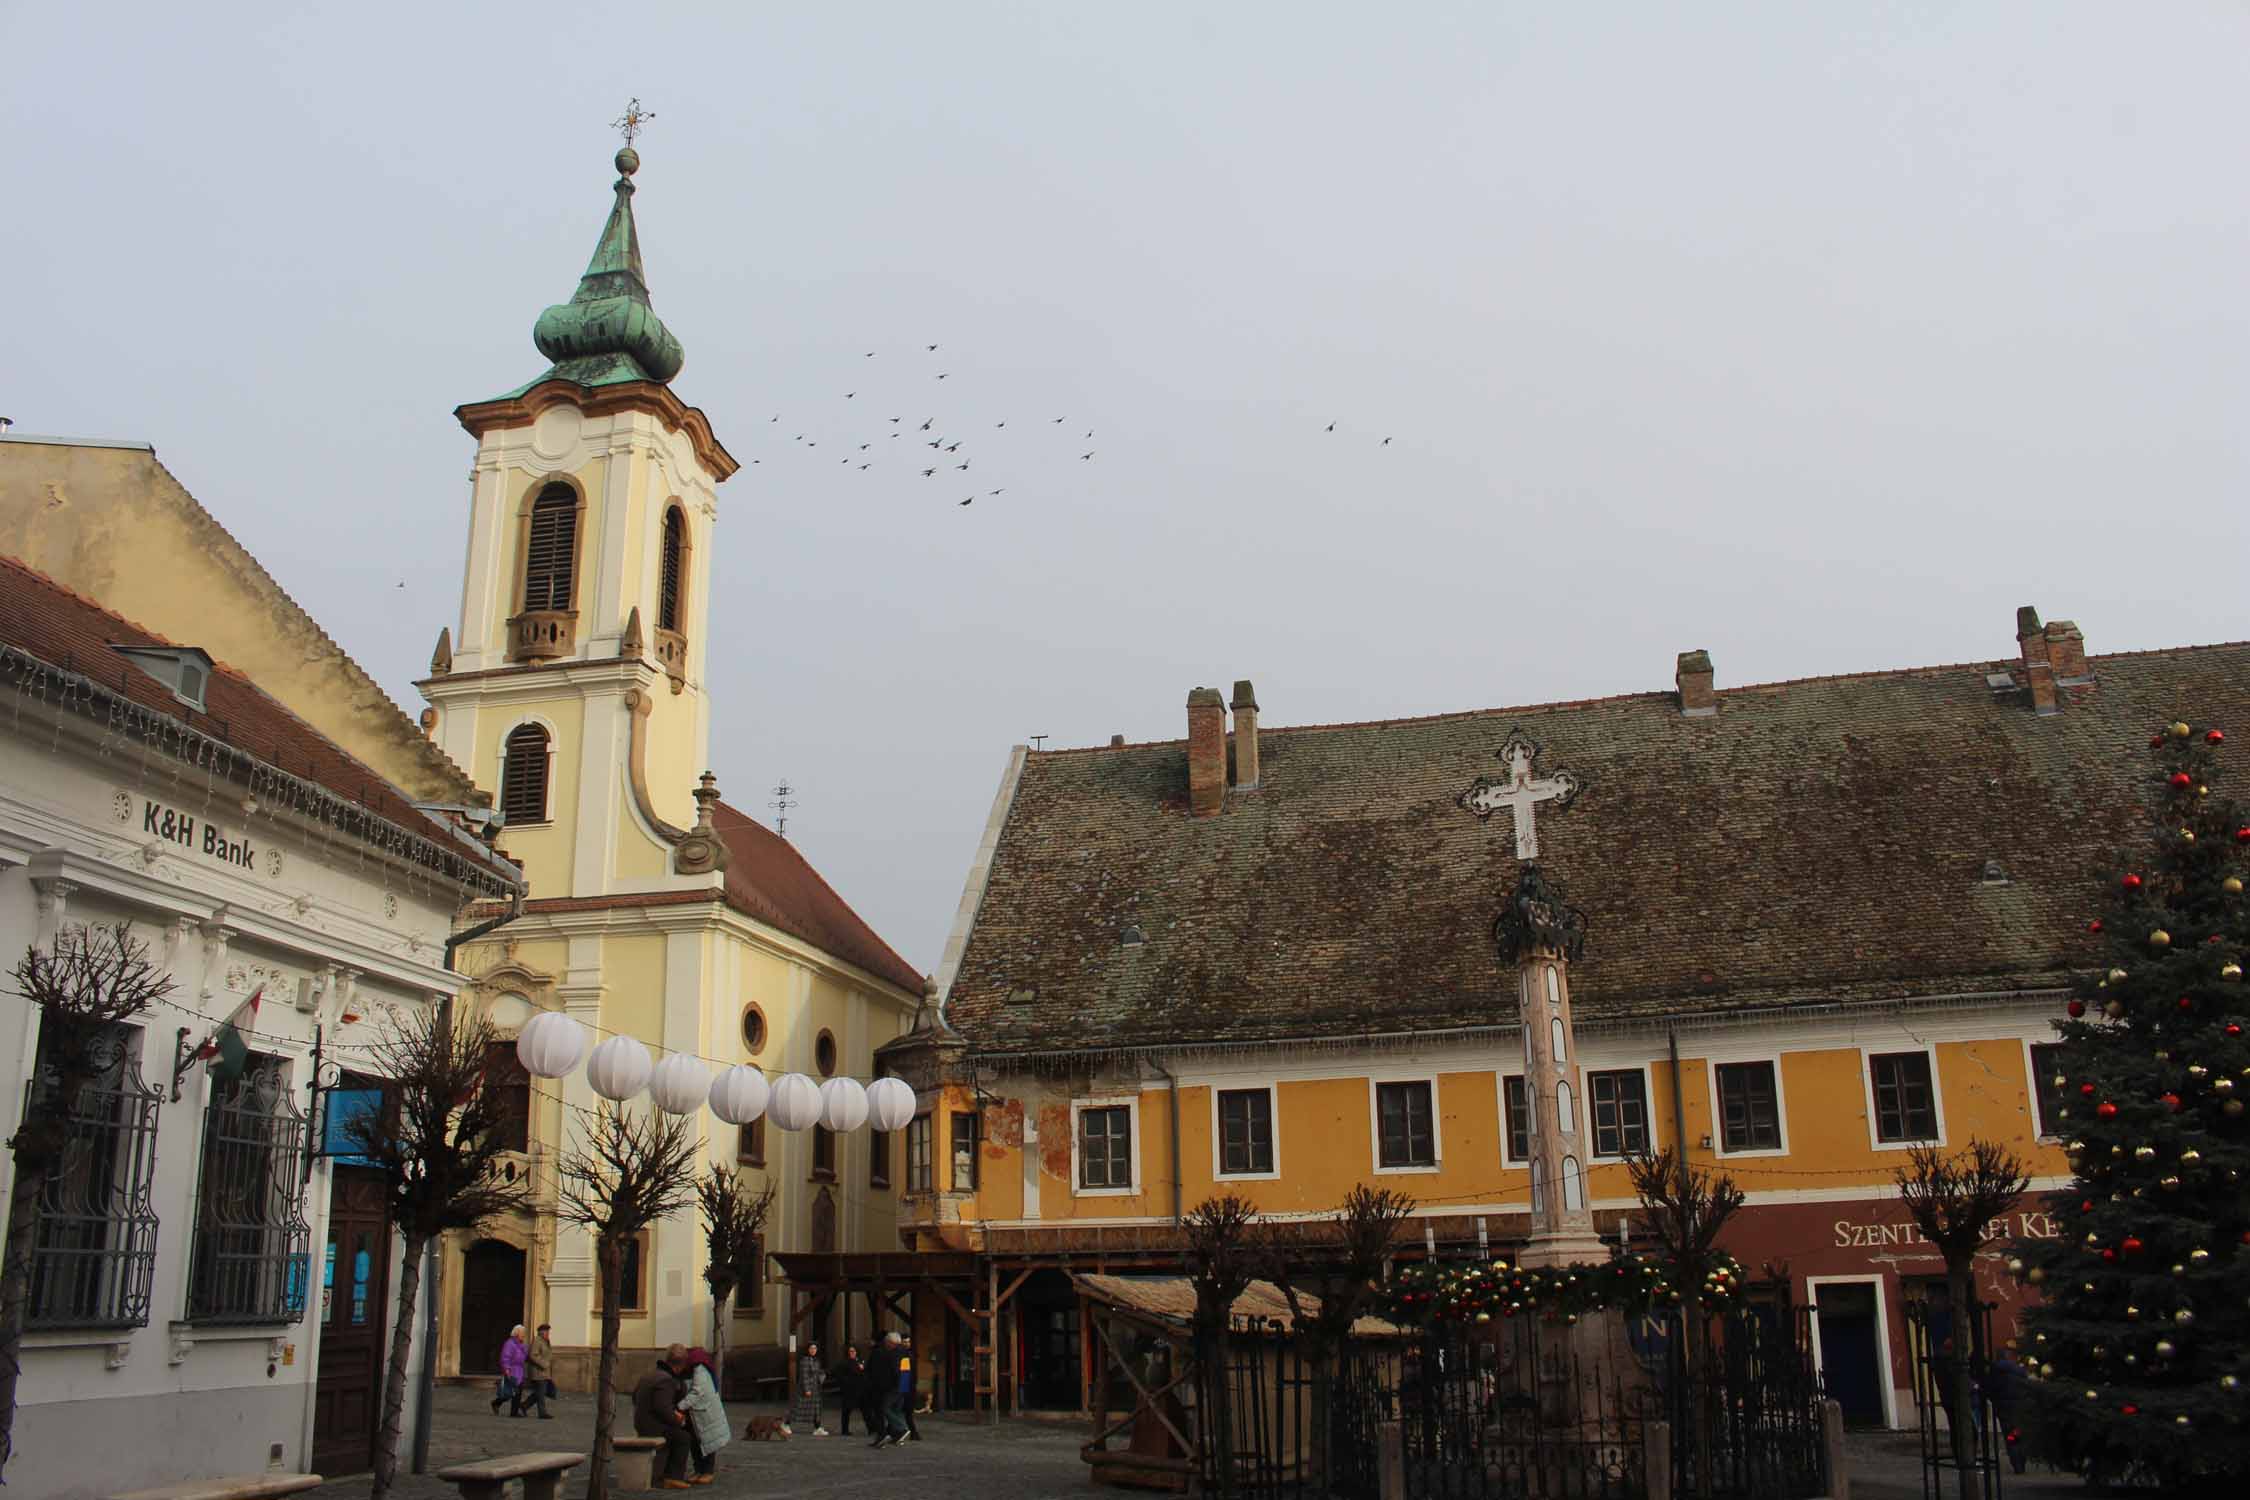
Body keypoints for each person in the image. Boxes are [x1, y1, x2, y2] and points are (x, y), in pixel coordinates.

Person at [631, 1345, 694, 1490]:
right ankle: (672, 1477)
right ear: (682, 1364)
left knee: (675, 1434)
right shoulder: (666, 1380)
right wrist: (680, 1421)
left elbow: (635, 1397)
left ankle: (666, 1474)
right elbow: (663, 1409)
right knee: (683, 1437)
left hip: (642, 1422)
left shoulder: (651, 1374)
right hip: (653, 1426)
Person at [678, 1345, 731, 1487]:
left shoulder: (699, 1369)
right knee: (695, 1443)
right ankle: (698, 1470)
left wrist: (680, 1406)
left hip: (705, 1411)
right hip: (694, 1412)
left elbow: (698, 1391)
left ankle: (707, 1471)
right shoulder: (690, 1367)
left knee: (708, 1441)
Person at [1986, 1343, 2028, 1476]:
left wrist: (1994, 1400)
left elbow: (1991, 1389)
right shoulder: (2019, 1371)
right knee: (2017, 1433)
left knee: (2009, 1436)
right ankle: (2021, 1460)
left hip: (2004, 1408)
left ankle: (2017, 1464)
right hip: (2018, 1406)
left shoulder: (1995, 1371)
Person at [872, 1331, 912, 1448]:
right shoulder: (905, 1352)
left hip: (894, 1387)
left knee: (885, 1407)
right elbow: (907, 1370)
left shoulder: (893, 1354)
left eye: (887, 1343)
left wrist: (890, 1385)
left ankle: (902, 1429)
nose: (885, 1345)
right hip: (903, 1385)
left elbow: (894, 1371)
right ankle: (899, 1433)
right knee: (897, 1409)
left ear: (891, 1343)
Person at [788, 1341, 828, 1436]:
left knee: (816, 1410)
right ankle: (786, 1424)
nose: (813, 1350)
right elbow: (804, 1376)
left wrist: (822, 1376)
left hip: (816, 1389)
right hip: (807, 1390)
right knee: (798, 1409)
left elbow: (818, 1372)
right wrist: (807, 1389)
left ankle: (817, 1428)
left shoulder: (816, 1360)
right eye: (811, 1348)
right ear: (807, 1350)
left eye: (815, 1348)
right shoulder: (805, 1360)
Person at [493, 1325, 528, 1415]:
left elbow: (525, 1357)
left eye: (524, 1333)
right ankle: (496, 1403)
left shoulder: (522, 1345)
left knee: (518, 1392)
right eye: (522, 1333)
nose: (524, 1335)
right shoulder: (509, 1344)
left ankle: (514, 1412)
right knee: (508, 1392)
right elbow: (505, 1358)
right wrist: (507, 1370)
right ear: (516, 1333)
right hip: (512, 1370)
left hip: (520, 1370)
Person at [834, 1344, 866, 1437]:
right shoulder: (844, 1362)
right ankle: (845, 1429)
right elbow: (839, 1374)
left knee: (865, 1409)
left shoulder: (860, 1361)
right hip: (848, 1389)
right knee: (846, 1410)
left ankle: (871, 1428)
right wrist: (845, 1383)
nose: (852, 1353)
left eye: (853, 1351)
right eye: (850, 1351)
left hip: (859, 1389)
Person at [526, 1323, 556, 1415]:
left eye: (548, 1331)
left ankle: (524, 1406)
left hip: (544, 1372)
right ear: (541, 1332)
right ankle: (542, 1413)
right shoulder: (537, 1341)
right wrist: (544, 1364)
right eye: (546, 1331)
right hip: (538, 1372)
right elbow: (532, 1355)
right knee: (541, 1393)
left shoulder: (545, 1341)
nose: (548, 1333)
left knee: (540, 1392)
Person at [900, 1333, 923, 1441]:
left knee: (906, 1411)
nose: (907, 1344)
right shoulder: (902, 1354)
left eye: (908, 1342)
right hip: (904, 1386)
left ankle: (912, 1433)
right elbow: (904, 1373)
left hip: (909, 1385)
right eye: (905, 1342)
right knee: (904, 1411)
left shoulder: (910, 1354)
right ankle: (913, 1432)